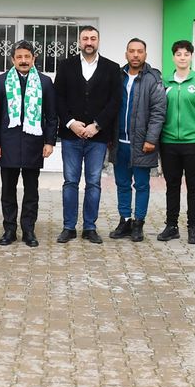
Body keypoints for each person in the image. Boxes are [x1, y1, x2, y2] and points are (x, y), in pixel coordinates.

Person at [54, 25, 122, 244]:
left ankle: (90, 227)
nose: (89, 42)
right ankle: (69, 227)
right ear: (79, 41)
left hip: (98, 138)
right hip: (71, 136)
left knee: (93, 183)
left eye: (93, 38)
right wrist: (71, 123)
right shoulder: (66, 65)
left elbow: (115, 101)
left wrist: (97, 125)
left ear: (98, 41)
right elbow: (58, 97)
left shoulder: (111, 68)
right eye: (85, 38)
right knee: (70, 182)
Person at [0, 41, 58, 247]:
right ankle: (9, 230)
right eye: (19, 57)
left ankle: (28, 230)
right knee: (8, 190)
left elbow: (52, 116)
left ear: (34, 58)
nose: (23, 60)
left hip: (33, 144)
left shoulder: (45, 82)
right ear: (12, 59)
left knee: (31, 190)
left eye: (27, 56)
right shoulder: (1, 81)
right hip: (7, 144)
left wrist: (50, 142)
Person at [110, 38, 165, 243]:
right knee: (122, 183)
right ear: (126, 54)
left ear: (145, 54)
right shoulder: (118, 76)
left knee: (141, 185)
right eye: (131, 51)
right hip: (119, 142)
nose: (135, 55)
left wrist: (151, 139)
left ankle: (138, 223)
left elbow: (158, 112)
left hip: (142, 144)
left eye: (139, 51)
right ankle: (125, 220)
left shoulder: (153, 78)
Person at [159, 40, 195, 244]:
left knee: (194, 186)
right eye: (178, 54)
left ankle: (193, 227)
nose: (182, 57)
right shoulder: (165, 81)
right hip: (168, 141)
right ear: (173, 57)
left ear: (191, 56)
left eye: (186, 54)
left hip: (193, 141)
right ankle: (171, 226)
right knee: (172, 185)